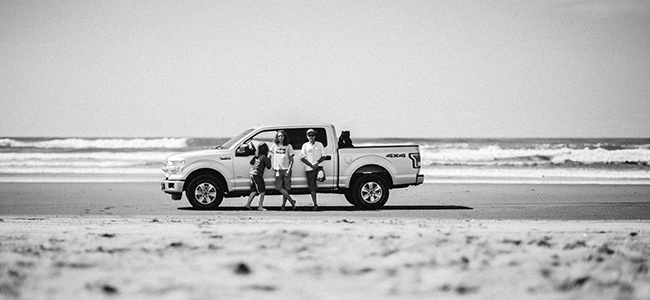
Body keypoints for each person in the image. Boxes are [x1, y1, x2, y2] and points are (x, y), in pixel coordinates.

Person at [269, 130, 296, 210]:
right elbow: (270, 155)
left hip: (286, 169)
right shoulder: (274, 146)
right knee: (279, 187)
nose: (280, 138)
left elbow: (291, 160)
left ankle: (283, 206)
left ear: (284, 137)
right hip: (278, 169)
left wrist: (288, 170)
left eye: (282, 136)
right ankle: (292, 201)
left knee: (286, 188)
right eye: (279, 136)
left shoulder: (288, 146)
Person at [301, 128, 326, 210]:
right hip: (309, 169)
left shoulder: (320, 144)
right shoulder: (305, 145)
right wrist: (311, 165)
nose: (311, 137)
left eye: (312, 135)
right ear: (307, 136)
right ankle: (315, 204)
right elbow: (302, 158)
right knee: (312, 188)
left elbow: (323, 156)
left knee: (321, 177)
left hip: (318, 167)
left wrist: (317, 163)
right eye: (309, 135)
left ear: (315, 136)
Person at [245, 143, 271, 211]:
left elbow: (251, 162)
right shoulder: (264, 157)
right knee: (262, 191)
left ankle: (248, 204)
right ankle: (260, 207)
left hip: (252, 173)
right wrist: (269, 159)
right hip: (258, 175)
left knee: (254, 190)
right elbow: (269, 166)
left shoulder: (256, 156)